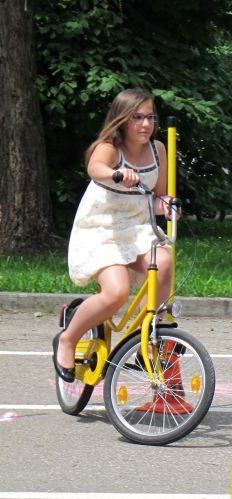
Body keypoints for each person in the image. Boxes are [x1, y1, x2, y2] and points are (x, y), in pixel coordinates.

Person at [52, 89, 175, 383]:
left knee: (164, 262)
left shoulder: (158, 149)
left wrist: (169, 205)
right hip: (102, 229)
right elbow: (95, 168)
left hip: (137, 227)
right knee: (117, 292)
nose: (146, 124)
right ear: (122, 119)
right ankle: (67, 340)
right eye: (137, 118)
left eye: (150, 118)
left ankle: (148, 338)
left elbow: (158, 197)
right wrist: (116, 174)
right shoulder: (109, 148)